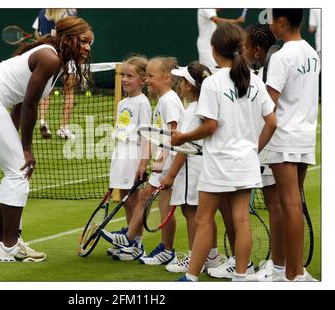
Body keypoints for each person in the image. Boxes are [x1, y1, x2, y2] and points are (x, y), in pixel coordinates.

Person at [0, 16, 94, 262]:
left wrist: (11, 142)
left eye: (90, 43)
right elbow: (30, 105)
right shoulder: (50, 58)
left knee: (14, 170)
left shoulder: (55, 60)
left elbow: (20, 103)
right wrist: (26, 149)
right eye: (83, 42)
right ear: (68, 38)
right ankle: (11, 244)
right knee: (19, 171)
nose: (87, 48)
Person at [174, 23, 277, 281]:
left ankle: (191, 277)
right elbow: (272, 122)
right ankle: (240, 277)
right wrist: (254, 149)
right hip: (245, 162)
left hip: (219, 164)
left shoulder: (213, 84)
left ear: (214, 49)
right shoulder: (254, 81)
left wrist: (183, 136)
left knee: (203, 219)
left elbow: (210, 125)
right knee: (241, 219)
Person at [100, 56, 183, 265]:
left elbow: (174, 134)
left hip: (169, 162)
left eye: (150, 76)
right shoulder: (162, 101)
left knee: (164, 205)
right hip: (163, 162)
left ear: (166, 78)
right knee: (153, 201)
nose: (147, 80)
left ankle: (134, 240)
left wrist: (158, 160)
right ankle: (143, 243)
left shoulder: (167, 101)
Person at [262, 9, 319, 281]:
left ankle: (293, 274)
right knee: (293, 203)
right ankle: (292, 271)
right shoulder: (312, 52)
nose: (270, 25)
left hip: (284, 138)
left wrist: (253, 143)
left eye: (272, 19)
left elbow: (268, 105)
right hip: (305, 137)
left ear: (282, 22)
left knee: (290, 204)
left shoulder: (282, 56)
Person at [159, 62, 225, 274]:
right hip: (204, 169)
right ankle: (211, 256)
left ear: (189, 86)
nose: (179, 84)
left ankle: (194, 256)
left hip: (191, 171)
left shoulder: (192, 111)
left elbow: (183, 148)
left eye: (182, 81)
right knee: (204, 215)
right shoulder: (206, 108)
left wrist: (170, 175)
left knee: (191, 213)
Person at [239, 23, 287, 281]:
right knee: (281, 204)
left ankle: (278, 265)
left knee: (276, 204)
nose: (243, 51)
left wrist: (255, 147)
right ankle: (284, 264)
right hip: (277, 143)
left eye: (246, 46)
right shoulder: (270, 64)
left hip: (271, 144)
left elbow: (269, 114)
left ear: (257, 49)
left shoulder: (270, 70)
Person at [106, 55, 152, 256]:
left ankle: (136, 243)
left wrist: (143, 164)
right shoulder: (122, 103)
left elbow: (147, 137)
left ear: (142, 80)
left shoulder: (143, 103)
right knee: (125, 200)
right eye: (122, 75)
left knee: (134, 201)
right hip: (120, 154)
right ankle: (129, 241)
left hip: (133, 155)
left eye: (130, 76)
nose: (124, 79)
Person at [32, 9, 79, 139]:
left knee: (47, 90)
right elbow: (74, 34)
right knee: (69, 91)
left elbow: (38, 33)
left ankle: (43, 121)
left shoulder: (43, 12)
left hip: (49, 53)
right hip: (67, 54)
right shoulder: (70, 12)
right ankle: (64, 128)